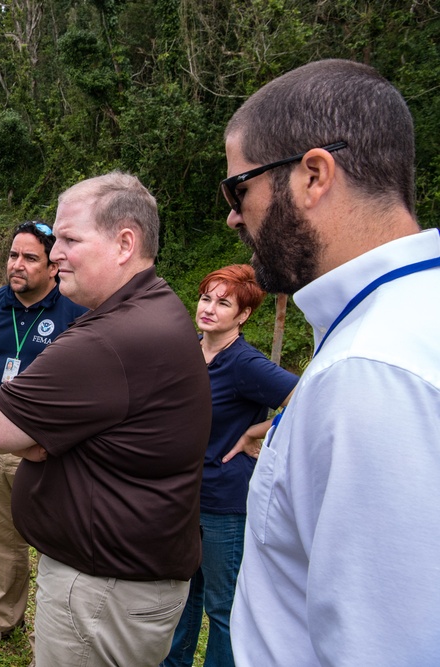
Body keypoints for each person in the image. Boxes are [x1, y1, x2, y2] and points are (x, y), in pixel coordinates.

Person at [222, 59, 440, 665]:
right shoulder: (404, 326)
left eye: (240, 188)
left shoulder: (372, 375)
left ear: (314, 175)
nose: (234, 215)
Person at [0, 171, 212, 667]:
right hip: (121, 582)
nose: (55, 252)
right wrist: (47, 437)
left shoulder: (108, 339)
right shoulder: (154, 307)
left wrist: (45, 437)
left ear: (125, 243)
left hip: (102, 593)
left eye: (69, 239)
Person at [0, 221, 86, 652]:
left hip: (49, 455)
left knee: (57, 544)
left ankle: (56, 637)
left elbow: (88, 390)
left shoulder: (76, 313)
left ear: (54, 266)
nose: (17, 265)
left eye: (30, 257)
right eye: (14, 255)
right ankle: (3, 617)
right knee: (0, 537)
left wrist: (53, 442)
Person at [162, 264, 297, 667]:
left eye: (224, 303)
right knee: (183, 596)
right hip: (183, 495)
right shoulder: (187, 351)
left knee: (223, 607)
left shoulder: (244, 364)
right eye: (206, 298)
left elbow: (306, 399)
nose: (209, 308)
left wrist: (256, 431)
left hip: (223, 500)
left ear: (243, 315)